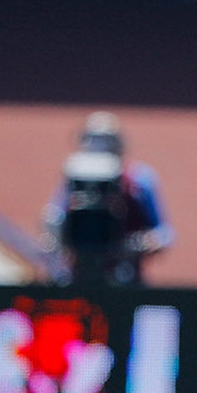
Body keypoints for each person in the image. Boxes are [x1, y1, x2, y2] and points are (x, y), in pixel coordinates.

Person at [42, 111, 174, 286]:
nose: (98, 145)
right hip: (78, 275)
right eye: (91, 138)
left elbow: (164, 233)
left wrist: (139, 243)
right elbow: (53, 218)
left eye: (106, 139)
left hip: (125, 274)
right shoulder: (72, 180)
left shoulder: (139, 179)